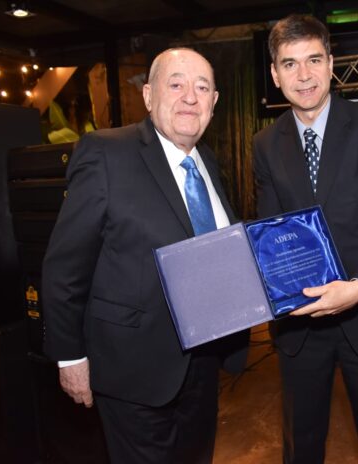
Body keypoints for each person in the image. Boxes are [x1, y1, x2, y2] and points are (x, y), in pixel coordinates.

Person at [42, 48, 248, 464]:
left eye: (202, 88)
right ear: (149, 96)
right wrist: (70, 356)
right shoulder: (105, 153)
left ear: (214, 103)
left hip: (202, 364)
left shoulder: (208, 161)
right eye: (176, 84)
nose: (190, 97)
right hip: (132, 370)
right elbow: (65, 266)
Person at [253, 14, 358, 464]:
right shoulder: (265, 143)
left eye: (313, 60)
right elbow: (271, 230)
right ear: (275, 74)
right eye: (289, 64)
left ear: (331, 63)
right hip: (300, 322)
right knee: (300, 448)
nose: (303, 75)